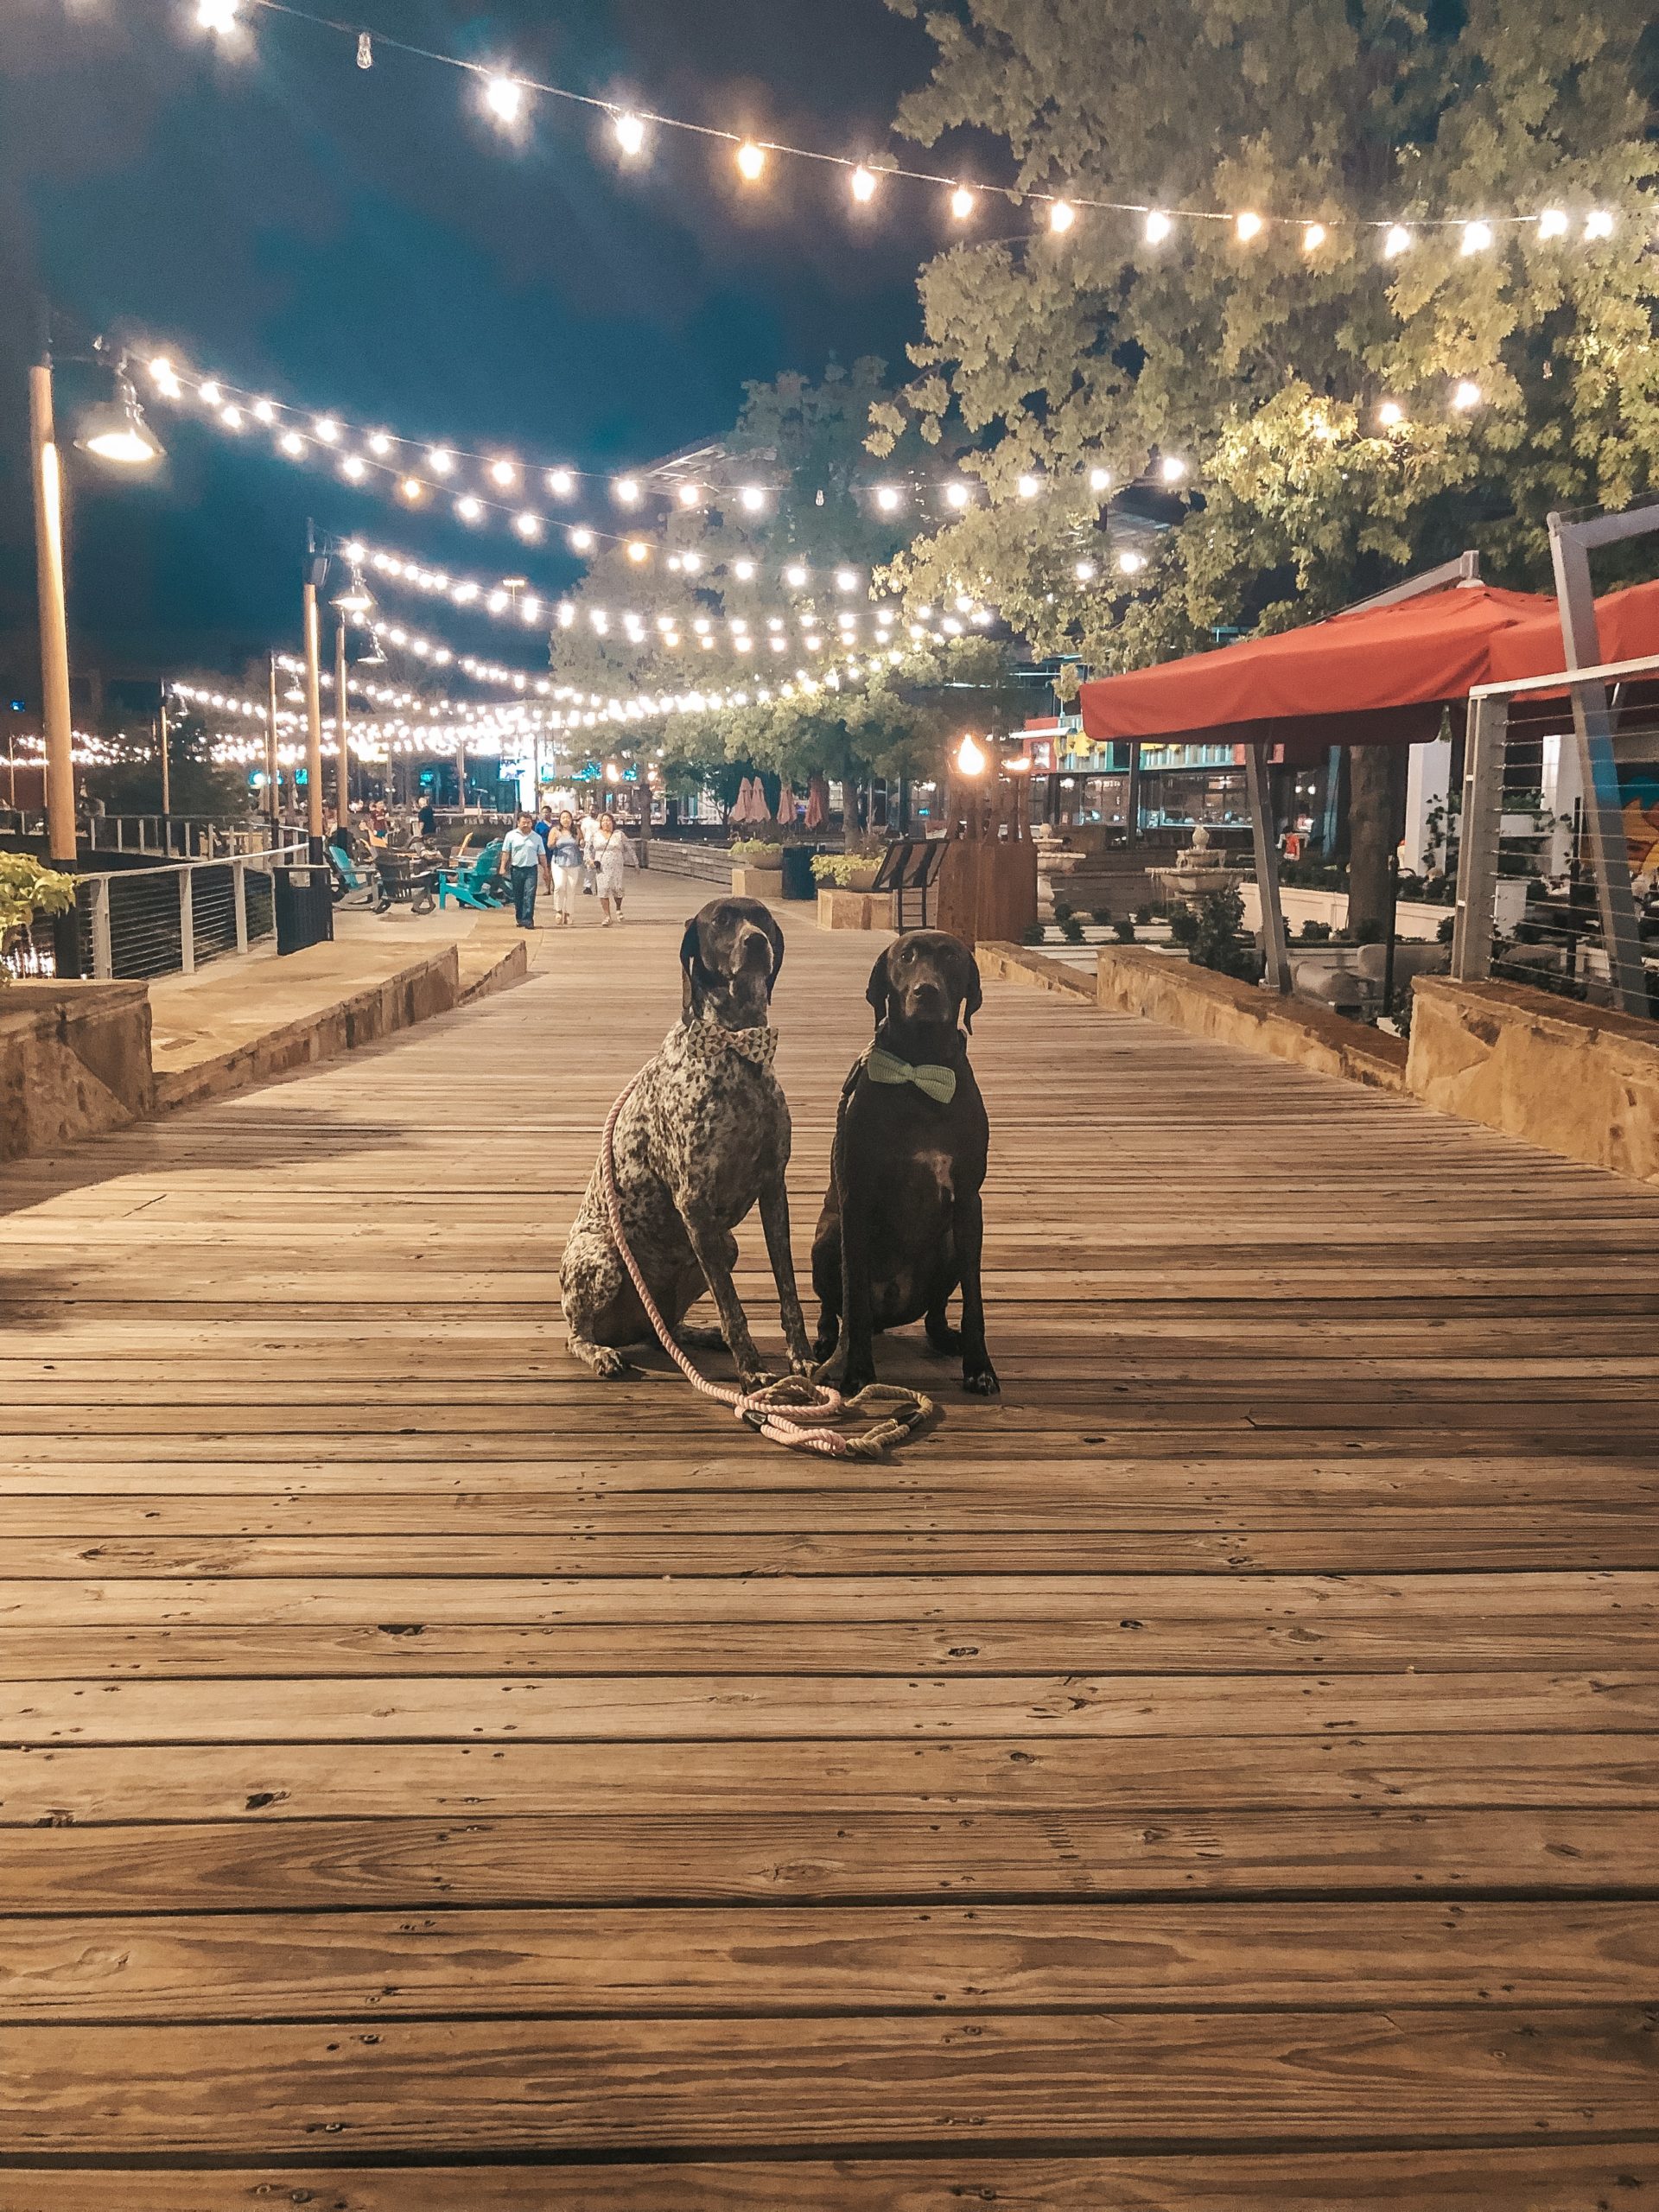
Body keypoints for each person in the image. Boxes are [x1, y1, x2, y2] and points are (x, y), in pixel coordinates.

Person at [500, 811, 549, 931]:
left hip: (531, 869)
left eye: (528, 822)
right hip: (516, 869)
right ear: (518, 823)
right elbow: (506, 852)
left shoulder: (536, 838)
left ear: (532, 823)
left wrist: (546, 870)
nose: (526, 825)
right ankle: (520, 918)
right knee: (518, 895)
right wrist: (502, 866)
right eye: (523, 822)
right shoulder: (511, 835)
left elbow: (542, 855)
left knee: (530, 894)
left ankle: (528, 920)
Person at [592, 811, 637, 925]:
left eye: (608, 821)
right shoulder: (596, 835)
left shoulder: (619, 835)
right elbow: (588, 849)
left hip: (616, 865)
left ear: (612, 822)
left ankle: (618, 908)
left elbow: (629, 848)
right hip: (601, 866)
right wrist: (589, 861)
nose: (606, 823)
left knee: (617, 889)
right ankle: (607, 916)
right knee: (603, 889)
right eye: (603, 821)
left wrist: (635, 862)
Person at [548, 809, 584, 926]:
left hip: (573, 862)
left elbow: (581, 842)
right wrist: (554, 842)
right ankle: (558, 911)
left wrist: (583, 842)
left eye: (568, 817)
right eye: (563, 818)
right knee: (559, 886)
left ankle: (568, 913)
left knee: (571, 888)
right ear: (559, 819)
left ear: (571, 819)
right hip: (559, 861)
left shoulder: (576, 830)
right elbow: (549, 845)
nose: (566, 820)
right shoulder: (555, 830)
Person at [580, 804, 602, 895]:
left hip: (599, 844)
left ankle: (599, 886)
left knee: (599, 865)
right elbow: (583, 831)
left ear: (597, 810)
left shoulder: (600, 821)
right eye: (589, 810)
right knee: (589, 865)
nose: (591, 812)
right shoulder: (585, 821)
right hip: (589, 844)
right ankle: (587, 886)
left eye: (593, 810)